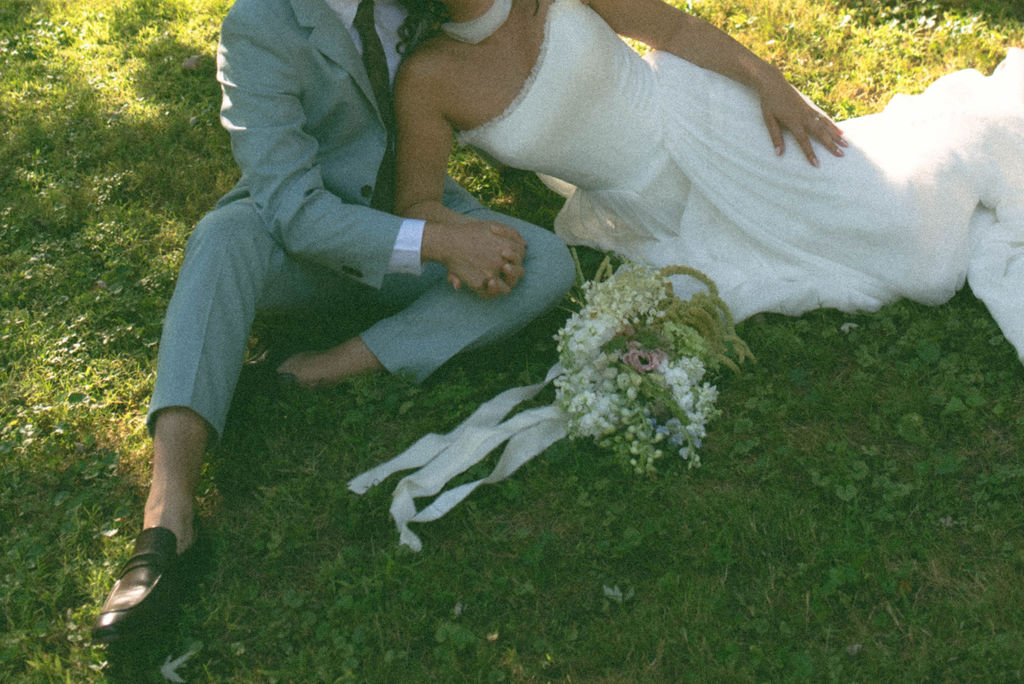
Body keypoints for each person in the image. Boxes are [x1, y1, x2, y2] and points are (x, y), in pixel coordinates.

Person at [92, 0, 575, 643]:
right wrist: (439, 245)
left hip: (421, 209)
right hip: (303, 248)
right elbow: (293, 211)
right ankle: (168, 514)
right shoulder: (258, 25)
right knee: (221, 236)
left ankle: (323, 368)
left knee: (543, 260)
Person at [391, 0, 1024, 362]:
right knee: (923, 272)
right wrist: (462, 237)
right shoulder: (426, 79)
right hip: (650, 213)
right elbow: (416, 202)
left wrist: (769, 81)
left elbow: (673, 29)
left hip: (712, 126)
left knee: (921, 240)